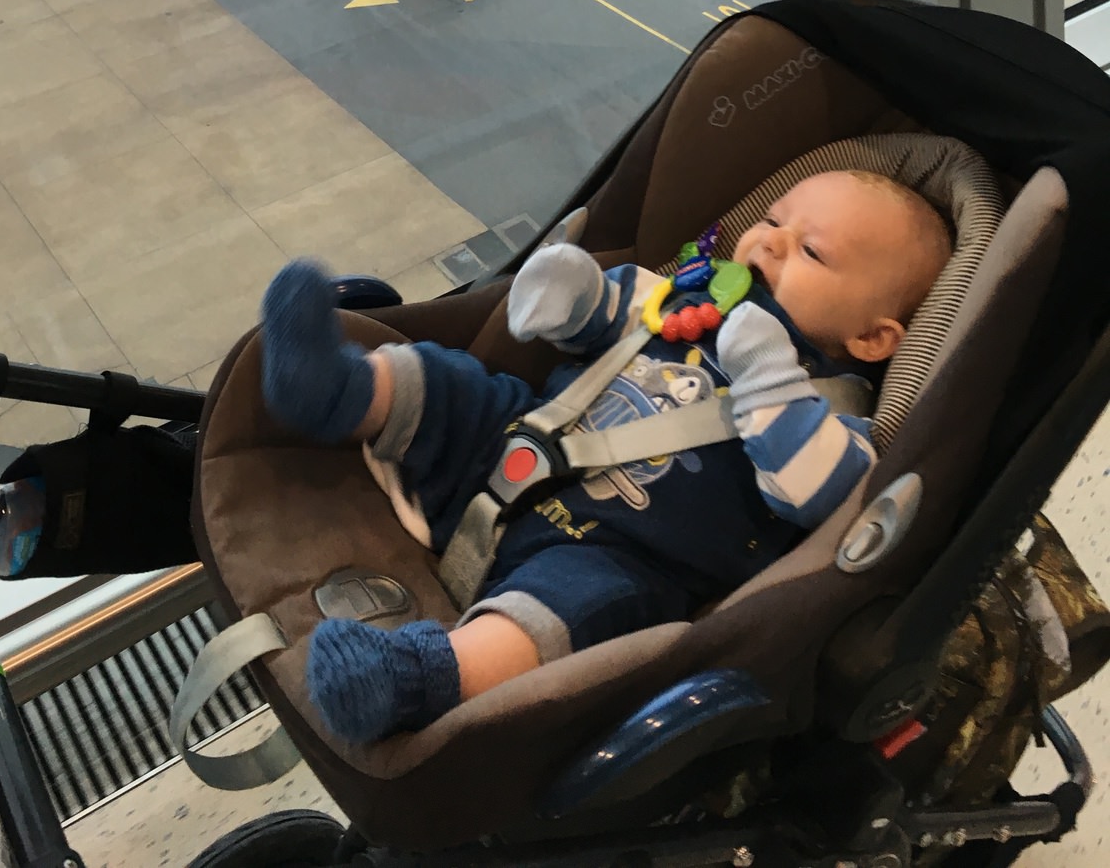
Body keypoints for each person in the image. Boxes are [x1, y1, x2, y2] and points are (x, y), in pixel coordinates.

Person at [260, 170, 952, 743]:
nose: (769, 244)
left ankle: (416, 674)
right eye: (773, 220)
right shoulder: (688, 297)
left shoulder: (837, 411)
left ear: (871, 337)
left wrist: (766, 369)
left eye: (812, 252)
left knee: (574, 614)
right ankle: (339, 390)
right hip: (518, 442)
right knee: (456, 386)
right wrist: (574, 293)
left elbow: (815, 489)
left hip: (621, 550)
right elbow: (613, 313)